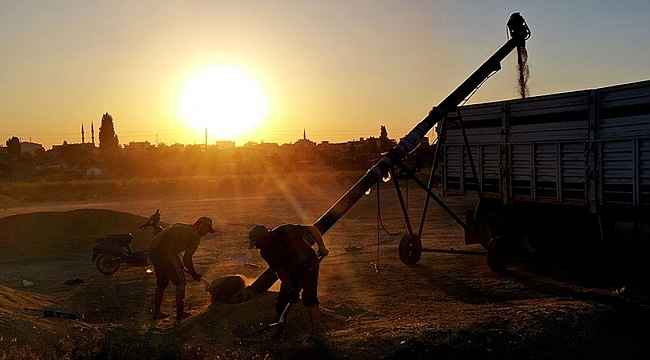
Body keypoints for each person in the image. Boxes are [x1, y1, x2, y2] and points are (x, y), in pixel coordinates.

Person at [247, 224, 329, 335]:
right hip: (290, 271)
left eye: (258, 243)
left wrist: (321, 246)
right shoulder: (266, 252)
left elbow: (311, 229)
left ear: (265, 237)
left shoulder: (285, 231)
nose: (257, 247)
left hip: (309, 264)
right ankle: (279, 330)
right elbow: (280, 271)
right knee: (282, 302)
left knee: (309, 296)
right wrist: (290, 287)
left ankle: (316, 332)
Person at [149, 216, 215, 321]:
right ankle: (180, 314)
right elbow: (187, 258)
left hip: (153, 250)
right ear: (201, 225)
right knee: (180, 283)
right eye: (206, 230)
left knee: (162, 283)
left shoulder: (180, 224)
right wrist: (194, 273)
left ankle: (156, 313)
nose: (205, 233)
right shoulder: (195, 236)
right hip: (166, 253)